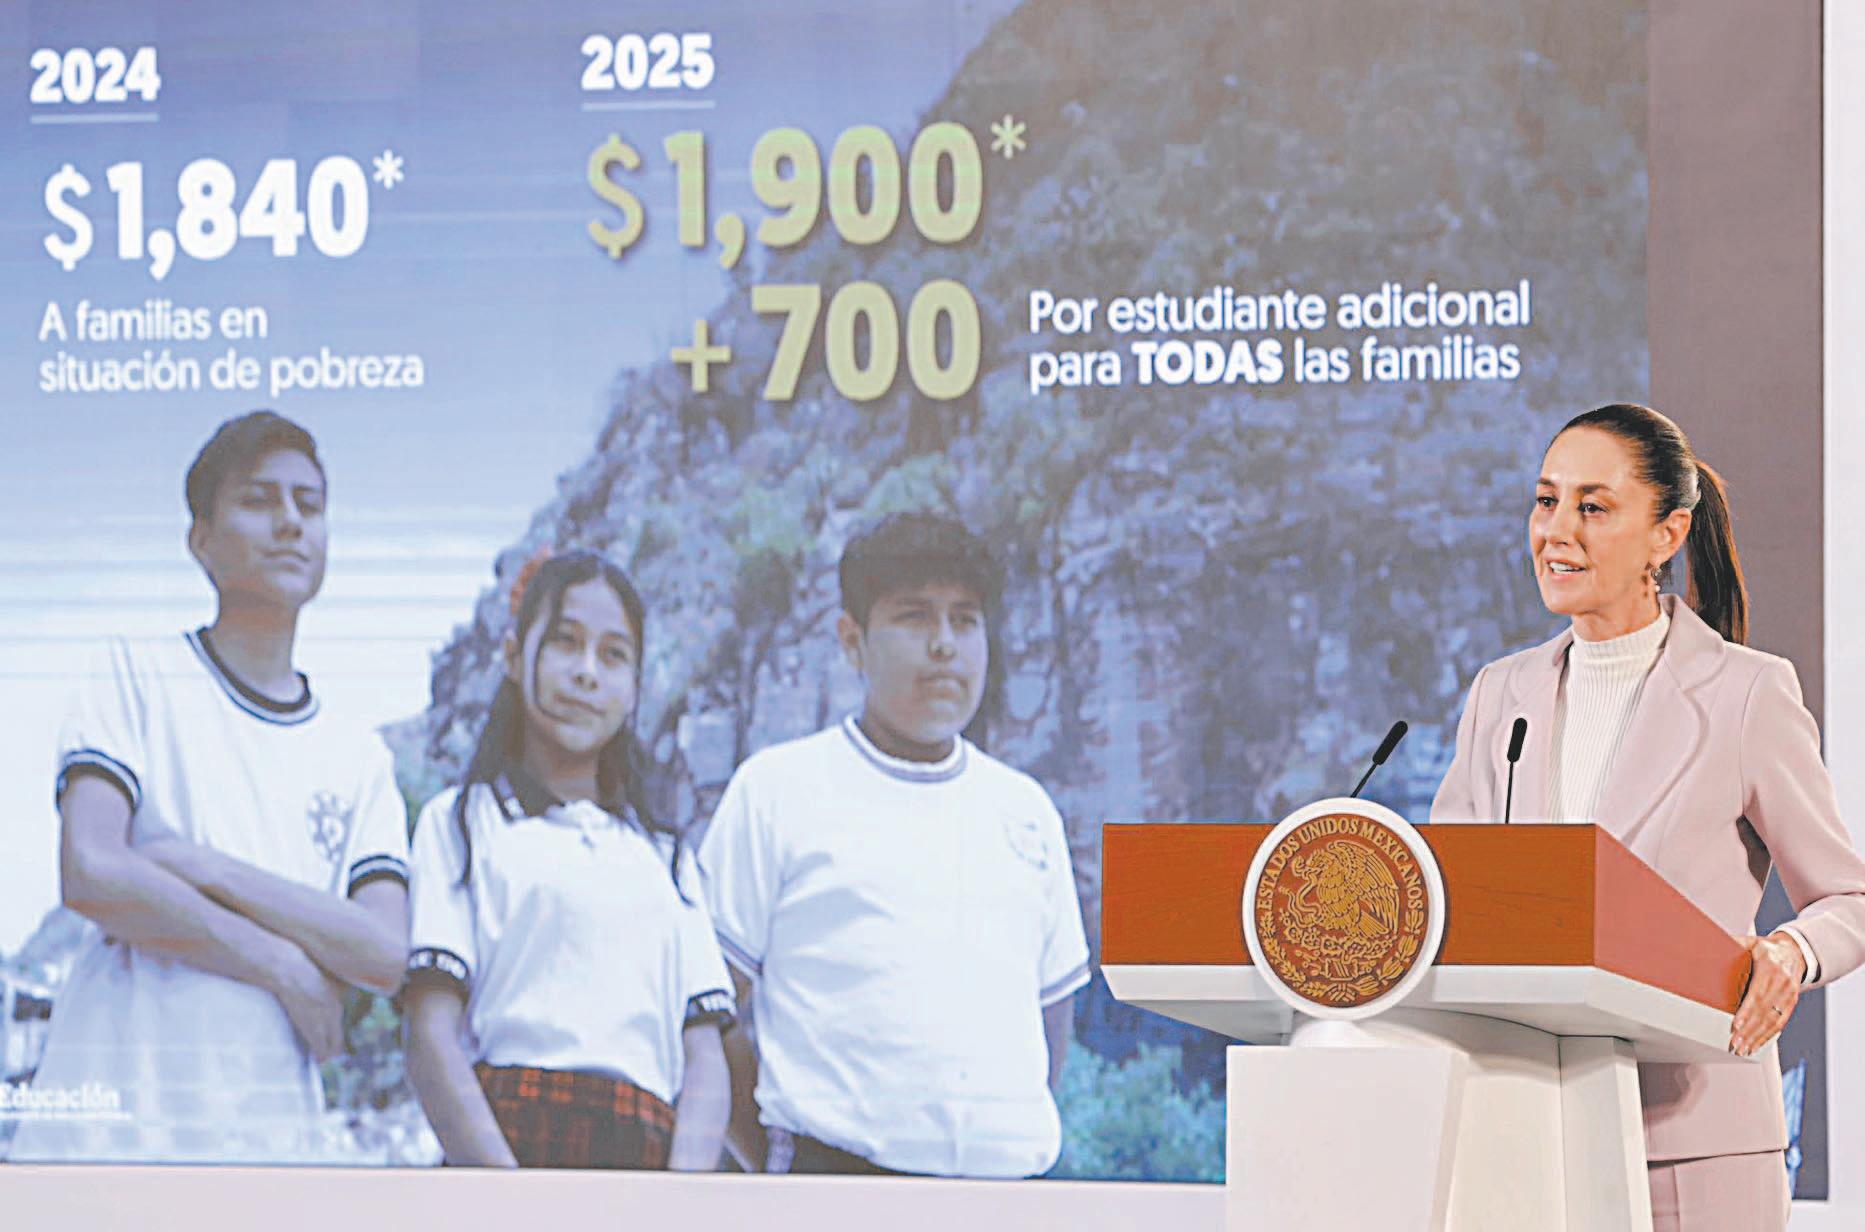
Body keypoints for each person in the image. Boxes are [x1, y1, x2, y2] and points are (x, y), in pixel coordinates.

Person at [1433, 403, 1865, 1231]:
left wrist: (1790, 953)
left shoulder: (1746, 692)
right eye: (1545, 501)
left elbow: (1848, 899)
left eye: (1592, 507)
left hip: (1694, 1141)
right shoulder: (1499, 694)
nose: (1556, 531)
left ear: (1666, 535)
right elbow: (1450, 898)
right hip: (1524, 1131)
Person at [7, 411, 411, 1164]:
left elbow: (385, 952)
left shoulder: (357, 757)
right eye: (259, 500)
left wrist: (201, 864)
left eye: (309, 504)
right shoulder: (135, 674)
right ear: (201, 540)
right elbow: (91, 870)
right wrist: (283, 964)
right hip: (107, 1135)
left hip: (267, 1143)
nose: (290, 522)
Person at [697, 512, 1091, 1177]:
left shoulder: (1025, 811)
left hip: (1007, 1197)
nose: (944, 645)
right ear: (852, 641)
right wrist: (782, 1166)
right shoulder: (777, 790)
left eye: (965, 620)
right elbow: (708, 1013)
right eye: (914, 617)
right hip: (830, 1188)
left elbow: (1050, 1024)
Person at [403, 550, 731, 1170]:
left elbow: (705, 1058)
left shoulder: (665, 859)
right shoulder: (463, 823)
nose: (587, 673)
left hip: (647, 1162)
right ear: (512, 655)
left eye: (613, 655)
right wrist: (509, 1195)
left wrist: (682, 1200)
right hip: (502, 1146)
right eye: (564, 643)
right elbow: (430, 1034)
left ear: (635, 687)